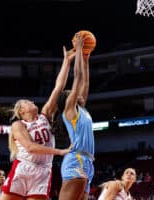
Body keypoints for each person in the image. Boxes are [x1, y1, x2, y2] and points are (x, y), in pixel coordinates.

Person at [0, 46, 75, 200]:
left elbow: (58, 88)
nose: (32, 101)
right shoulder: (18, 125)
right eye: (27, 102)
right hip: (24, 168)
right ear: (21, 111)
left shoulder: (45, 115)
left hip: (43, 171)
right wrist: (60, 152)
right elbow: (30, 147)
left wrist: (67, 61)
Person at [53, 33, 94, 200]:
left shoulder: (81, 109)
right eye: (74, 93)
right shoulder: (69, 111)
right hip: (76, 159)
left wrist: (85, 59)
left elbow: (85, 82)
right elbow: (77, 78)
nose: (79, 93)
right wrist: (77, 49)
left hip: (88, 161)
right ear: (69, 99)